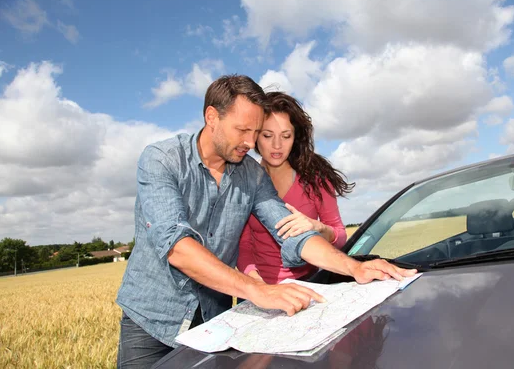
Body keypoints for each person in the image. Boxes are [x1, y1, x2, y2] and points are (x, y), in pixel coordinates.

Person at [115, 74, 417, 368]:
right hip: (151, 322)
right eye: (243, 130)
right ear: (211, 117)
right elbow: (177, 246)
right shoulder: (161, 160)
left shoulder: (252, 174)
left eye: (254, 131)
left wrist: (354, 268)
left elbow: (289, 231)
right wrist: (257, 289)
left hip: (215, 321)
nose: (251, 142)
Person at [237, 91, 353, 285]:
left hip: (310, 283)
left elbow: (340, 236)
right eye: (267, 135)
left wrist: (319, 228)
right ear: (255, 136)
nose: (277, 145)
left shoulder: (315, 178)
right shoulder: (244, 179)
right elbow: (244, 246)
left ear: (295, 137)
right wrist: (259, 287)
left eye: (286, 136)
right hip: (260, 288)